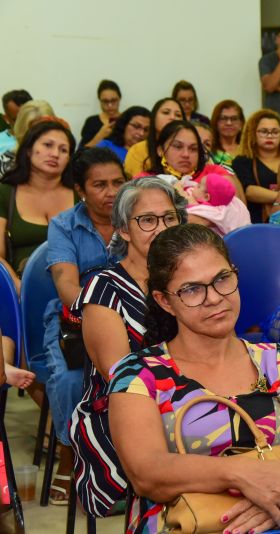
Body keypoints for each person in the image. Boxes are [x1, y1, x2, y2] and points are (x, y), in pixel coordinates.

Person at [108, 223, 280, 533]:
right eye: (192, 289)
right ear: (165, 301)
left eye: (221, 279)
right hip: (185, 524)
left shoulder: (277, 360)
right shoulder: (139, 373)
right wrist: (239, 474)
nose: (214, 298)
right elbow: (146, 471)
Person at [69, 177, 186, 514]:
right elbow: (120, 376)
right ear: (123, 229)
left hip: (192, 399)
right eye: (147, 220)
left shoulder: (191, 280)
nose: (161, 229)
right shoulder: (103, 287)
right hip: (123, 412)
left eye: (169, 218)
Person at [40, 147, 125, 504]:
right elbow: (66, 289)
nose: (111, 192)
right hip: (73, 320)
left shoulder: (138, 218)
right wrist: (102, 310)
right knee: (73, 380)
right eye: (99, 185)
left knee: (142, 375)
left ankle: (128, 460)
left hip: (131, 315)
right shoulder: (63, 225)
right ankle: (68, 456)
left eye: (118, 182)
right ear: (80, 190)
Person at [0, 119, 76, 275]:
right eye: (48, 145)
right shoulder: (5, 192)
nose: (55, 154)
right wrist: (16, 286)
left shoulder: (80, 194)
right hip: (16, 284)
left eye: (63, 150)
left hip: (75, 286)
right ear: (28, 150)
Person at [141, 120, 245, 203]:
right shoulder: (143, 180)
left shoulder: (215, 173)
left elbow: (236, 212)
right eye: (177, 146)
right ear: (160, 150)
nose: (186, 154)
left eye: (193, 148)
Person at [232, 109, 280, 223]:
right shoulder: (242, 161)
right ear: (253, 134)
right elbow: (249, 191)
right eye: (264, 131)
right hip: (255, 222)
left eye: (275, 132)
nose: (269, 136)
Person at [124, 98, 185, 178]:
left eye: (178, 115)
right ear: (154, 118)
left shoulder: (190, 150)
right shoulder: (138, 150)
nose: (173, 117)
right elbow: (136, 186)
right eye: (166, 112)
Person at [183, 173, 251, 236]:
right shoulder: (235, 204)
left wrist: (189, 200)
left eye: (199, 186)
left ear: (206, 197)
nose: (195, 185)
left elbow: (184, 214)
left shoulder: (209, 211)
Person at [0, 99, 55, 176]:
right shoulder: (7, 162)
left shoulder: (60, 158)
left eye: (45, 130)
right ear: (22, 132)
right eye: (34, 132)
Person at [79, 80, 122, 148]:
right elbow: (80, 154)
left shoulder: (128, 120)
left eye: (113, 100)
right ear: (99, 101)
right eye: (105, 101)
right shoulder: (91, 122)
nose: (110, 105)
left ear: (120, 99)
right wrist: (99, 136)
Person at [209, 99, 244, 166]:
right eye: (223, 118)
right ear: (215, 122)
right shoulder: (209, 150)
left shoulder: (248, 150)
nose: (229, 123)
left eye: (234, 119)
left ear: (241, 123)